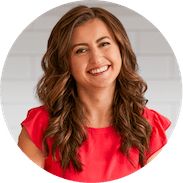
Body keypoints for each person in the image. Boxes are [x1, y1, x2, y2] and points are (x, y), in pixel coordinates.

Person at [18, 5, 171, 182]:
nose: (96, 59)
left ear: (121, 49)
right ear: (65, 62)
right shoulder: (39, 127)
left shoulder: (149, 127)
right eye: (81, 50)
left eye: (104, 44)